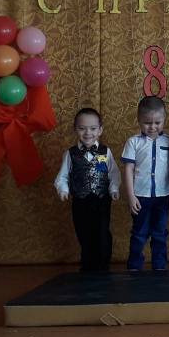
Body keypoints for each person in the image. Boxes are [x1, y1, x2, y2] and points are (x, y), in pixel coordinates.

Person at [54, 108, 121, 271]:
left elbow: (112, 173)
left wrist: (114, 188)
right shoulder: (71, 154)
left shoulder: (104, 152)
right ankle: (87, 265)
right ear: (75, 129)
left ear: (100, 130)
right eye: (82, 128)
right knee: (84, 233)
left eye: (93, 128)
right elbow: (63, 176)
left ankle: (103, 264)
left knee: (102, 233)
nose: (88, 133)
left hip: (101, 200)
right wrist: (63, 189)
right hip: (80, 201)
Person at [122, 96, 169, 271]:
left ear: (164, 119)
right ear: (138, 120)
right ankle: (134, 266)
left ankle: (159, 266)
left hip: (164, 196)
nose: (152, 127)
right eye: (147, 123)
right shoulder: (133, 142)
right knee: (139, 233)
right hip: (141, 197)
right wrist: (131, 197)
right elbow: (128, 170)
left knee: (160, 233)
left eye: (157, 122)